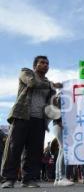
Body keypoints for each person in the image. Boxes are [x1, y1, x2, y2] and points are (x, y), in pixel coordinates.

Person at [1, 56, 62, 188]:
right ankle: (8, 179)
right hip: (22, 116)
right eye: (42, 63)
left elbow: (53, 104)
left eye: (47, 63)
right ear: (35, 65)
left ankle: (29, 179)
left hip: (39, 120)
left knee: (34, 151)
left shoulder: (50, 86)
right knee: (14, 148)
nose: (45, 65)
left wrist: (58, 119)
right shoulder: (26, 73)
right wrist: (52, 84)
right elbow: (32, 83)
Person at [52, 92, 74, 187]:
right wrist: (61, 122)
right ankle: (62, 177)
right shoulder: (62, 98)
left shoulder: (59, 97)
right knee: (63, 149)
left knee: (61, 150)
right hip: (59, 125)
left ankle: (57, 178)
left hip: (57, 125)